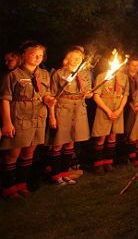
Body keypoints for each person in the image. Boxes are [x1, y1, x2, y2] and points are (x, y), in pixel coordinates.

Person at [1, 41, 55, 198]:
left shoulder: (44, 74)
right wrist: (7, 122)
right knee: (13, 153)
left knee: (29, 151)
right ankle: (8, 187)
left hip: (38, 117)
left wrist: (49, 99)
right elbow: (5, 99)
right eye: (33, 54)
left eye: (40, 54)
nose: (38, 57)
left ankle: (21, 183)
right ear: (23, 55)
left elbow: (45, 93)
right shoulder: (13, 74)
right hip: (19, 117)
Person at [49, 46, 92, 185]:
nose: (75, 60)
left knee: (70, 142)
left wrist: (88, 94)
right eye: (73, 58)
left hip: (79, 109)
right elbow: (53, 96)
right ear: (67, 59)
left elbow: (89, 92)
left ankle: (65, 173)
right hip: (63, 109)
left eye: (78, 59)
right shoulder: (58, 74)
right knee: (58, 143)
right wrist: (52, 116)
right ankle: (56, 175)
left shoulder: (85, 74)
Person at [90, 55, 129, 173]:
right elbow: (96, 95)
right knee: (102, 136)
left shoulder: (124, 77)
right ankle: (98, 164)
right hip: (104, 108)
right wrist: (107, 110)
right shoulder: (102, 76)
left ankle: (108, 162)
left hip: (118, 109)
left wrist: (119, 110)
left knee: (113, 136)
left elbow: (125, 95)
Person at [124, 57, 138, 162]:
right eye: (133, 65)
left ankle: (135, 154)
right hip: (128, 107)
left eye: (137, 65)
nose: (135, 67)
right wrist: (132, 105)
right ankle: (127, 156)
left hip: (137, 107)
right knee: (128, 130)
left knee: (135, 130)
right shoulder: (124, 77)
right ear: (128, 66)